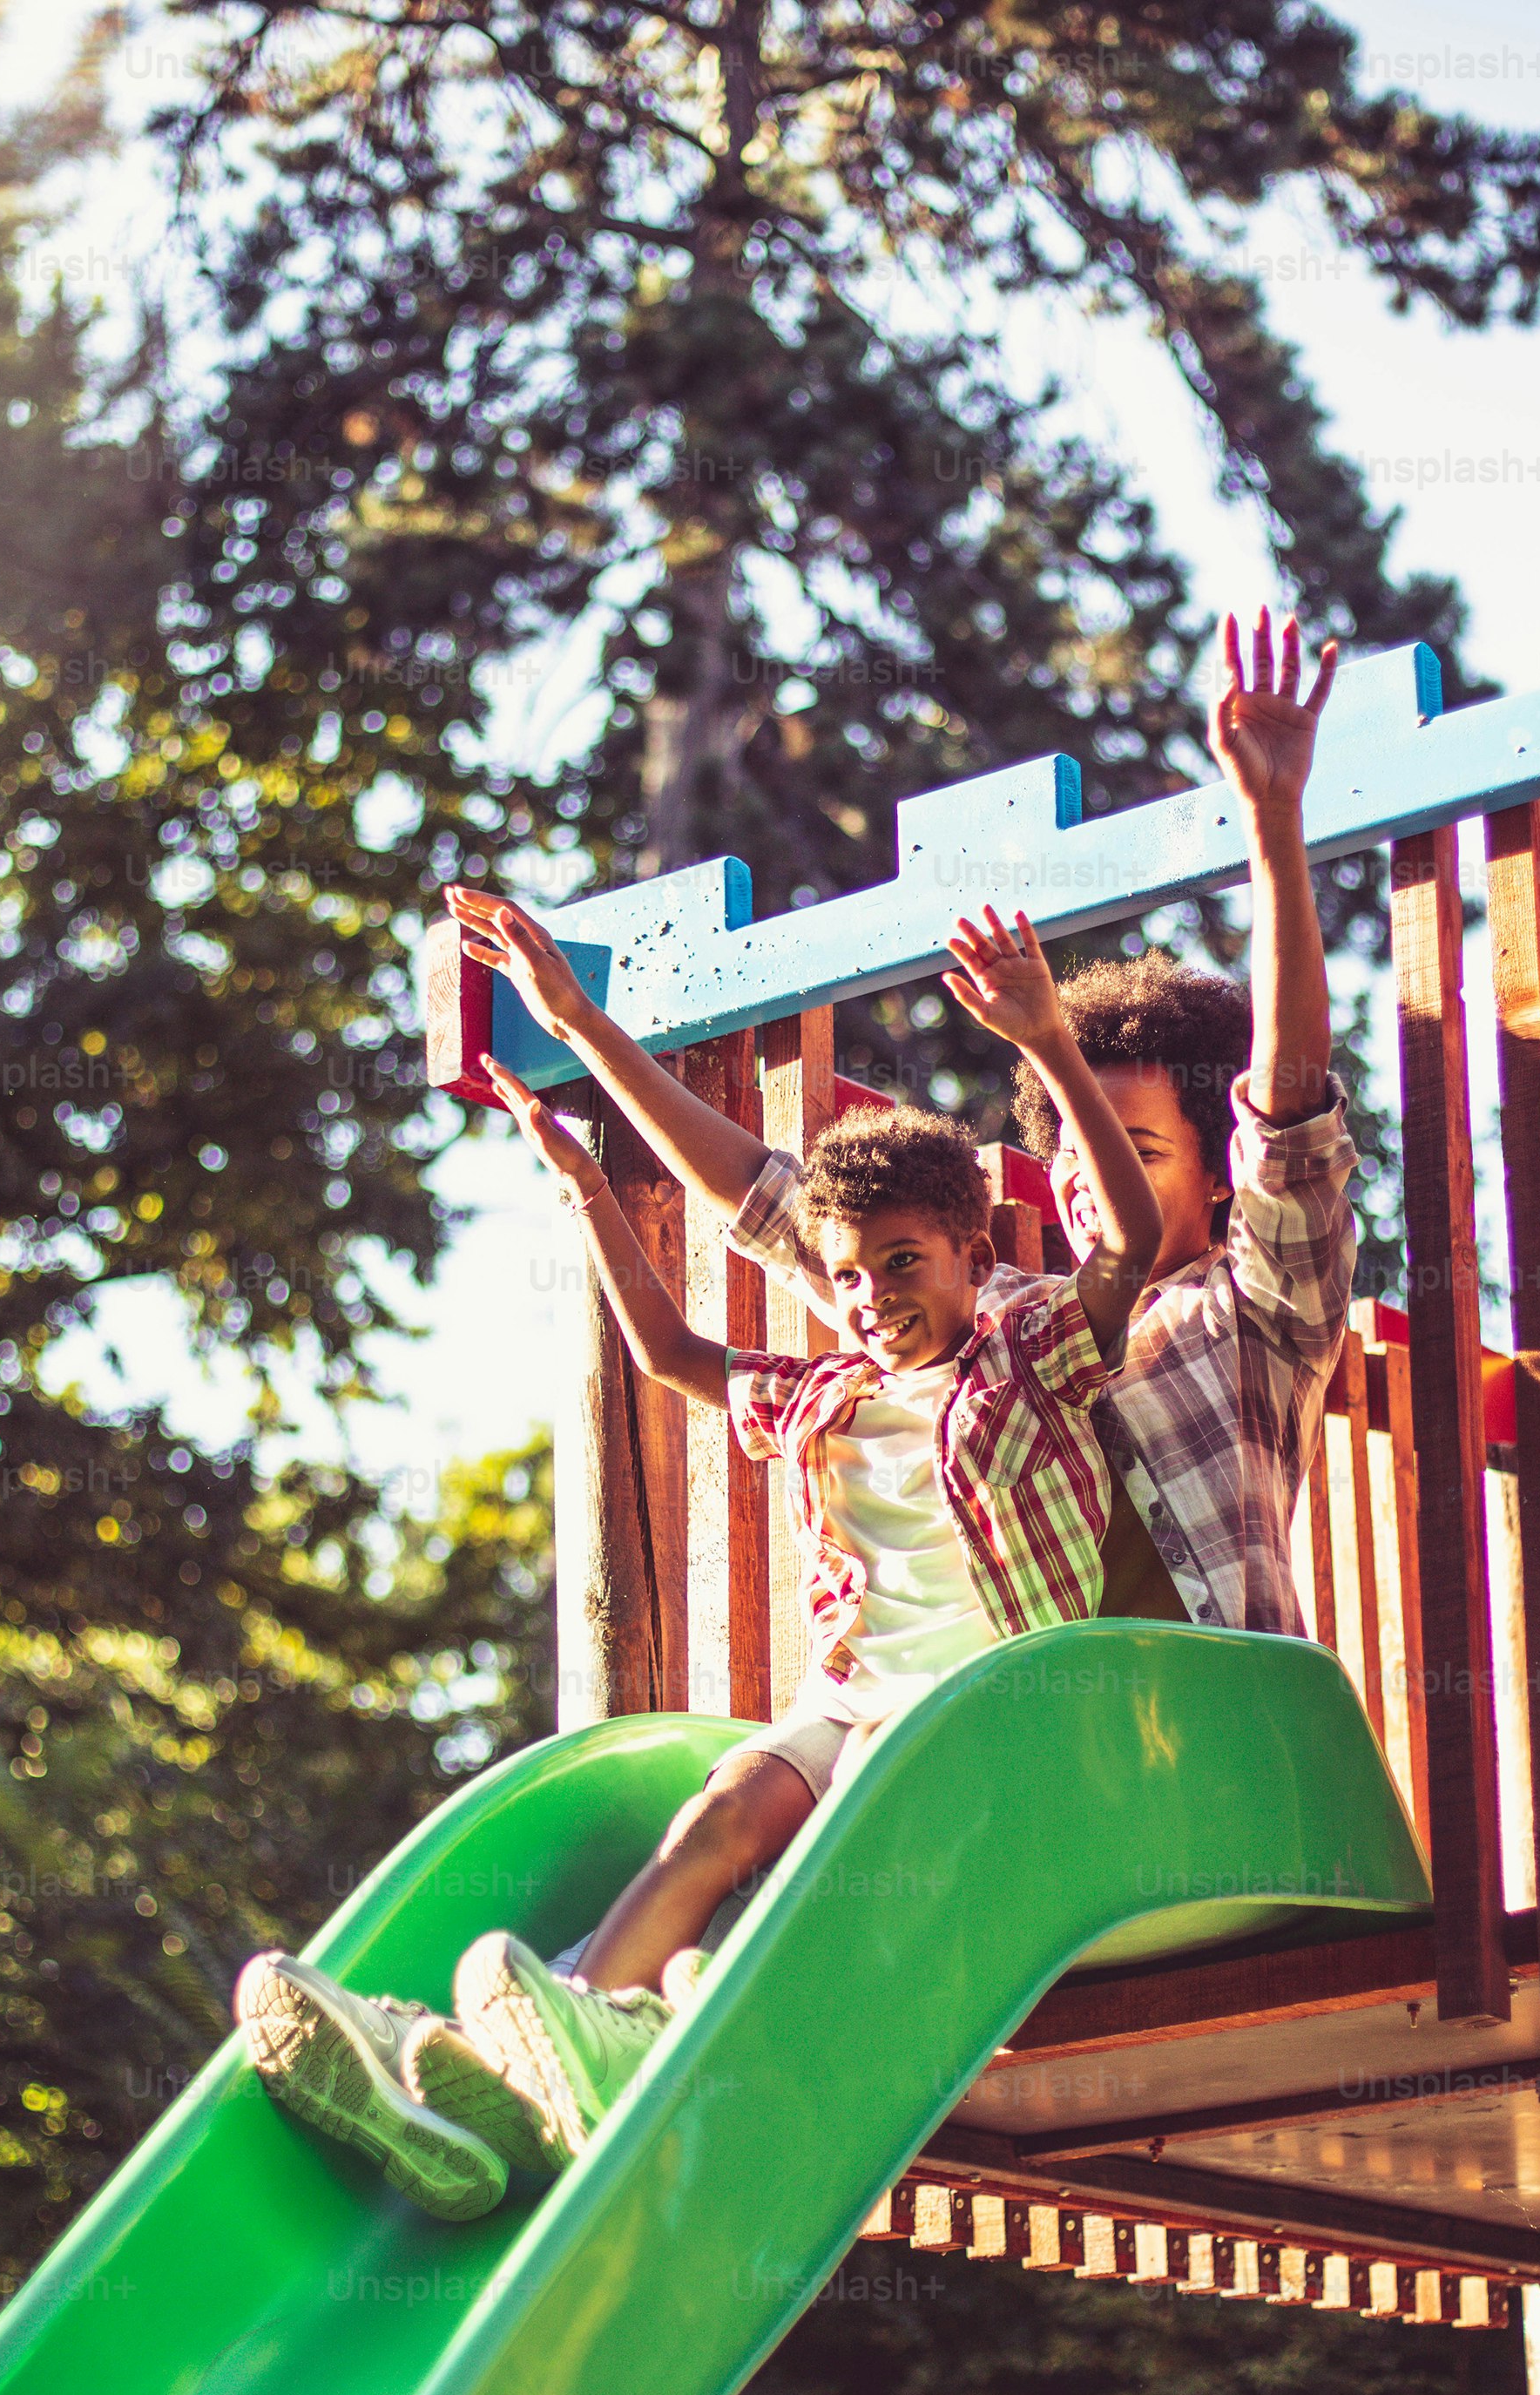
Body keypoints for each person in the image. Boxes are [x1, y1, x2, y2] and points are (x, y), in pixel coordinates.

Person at [233, 906, 1160, 2221]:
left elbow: (1122, 1239)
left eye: (906, 1261)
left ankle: (544, 2037)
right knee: (724, 1809)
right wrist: (589, 1192)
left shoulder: (1030, 1357)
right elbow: (671, 1353)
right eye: (848, 1274)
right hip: (856, 1707)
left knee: (806, 1874)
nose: (875, 1292)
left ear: (972, 1252)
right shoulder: (824, 1389)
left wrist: (1050, 1046)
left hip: (983, 1723)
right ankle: (502, 2065)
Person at [454, 607, 1358, 1647]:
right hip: (1030, 1740)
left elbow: (1286, 1107)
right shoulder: (985, 1319)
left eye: (1138, 1149)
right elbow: (758, 1191)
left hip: (1208, 1729)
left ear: (1216, 1180)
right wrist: (582, 1025)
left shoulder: (1255, 1312)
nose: (1081, 1175)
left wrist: (1272, 828)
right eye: (1066, 1145)